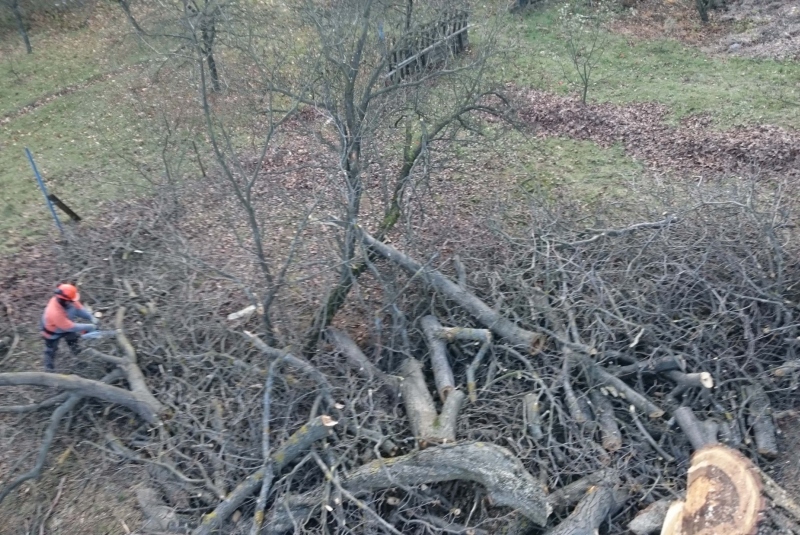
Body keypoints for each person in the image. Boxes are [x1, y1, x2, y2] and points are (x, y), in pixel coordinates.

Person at [40, 283, 98, 372]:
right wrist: (89, 327)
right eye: (71, 301)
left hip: (66, 326)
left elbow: (79, 309)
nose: (73, 302)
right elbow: (70, 327)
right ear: (64, 300)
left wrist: (91, 317)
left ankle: (80, 360)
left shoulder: (70, 300)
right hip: (52, 332)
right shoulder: (54, 311)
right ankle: (49, 371)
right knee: (50, 350)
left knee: (74, 343)